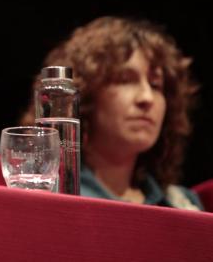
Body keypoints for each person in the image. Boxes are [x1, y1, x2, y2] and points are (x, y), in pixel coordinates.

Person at [34, 16, 202, 209]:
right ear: (85, 94)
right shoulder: (50, 194)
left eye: (156, 85)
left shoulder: (184, 203)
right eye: (125, 80)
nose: (146, 98)